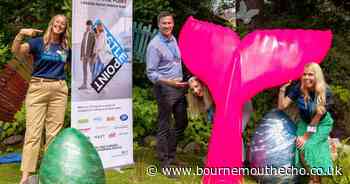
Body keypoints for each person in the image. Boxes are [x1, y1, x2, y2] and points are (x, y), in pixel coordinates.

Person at [11, 14, 70, 184]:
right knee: (33, 134)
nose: (59, 25)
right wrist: (21, 33)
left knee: (54, 134)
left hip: (59, 90)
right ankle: (26, 176)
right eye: (57, 22)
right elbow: (15, 51)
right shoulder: (37, 42)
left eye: (63, 24)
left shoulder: (65, 46)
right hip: (38, 88)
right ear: (52, 23)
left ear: (65, 28)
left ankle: (49, 172)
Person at [146, 11, 188, 174]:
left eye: (169, 23)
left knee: (182, 122)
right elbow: (151, 73)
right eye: (164, 23)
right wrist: (169, 82)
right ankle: (165, 163)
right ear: (158, 24)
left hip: (179, 87)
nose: (167, 26)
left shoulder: (173, 39)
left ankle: (171, 155)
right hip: (164, 88)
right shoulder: (154, 45)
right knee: (165, 125)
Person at [278, 62, 333, 184]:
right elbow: (282, 106)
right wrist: (282, 90)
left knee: (308, 146)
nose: (307, 77)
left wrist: (305, 137)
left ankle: (315, 180)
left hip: (321, 123)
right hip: (305, 122)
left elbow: (317, 119)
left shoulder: (326, 92)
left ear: (317, 76)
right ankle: (313, 178)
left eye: (311, 75)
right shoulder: (299, 88)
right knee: (300, 147)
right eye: (304, 74)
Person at [78, 20, 95, 90]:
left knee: (92, 70)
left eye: (89, 25)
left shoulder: (93, 34)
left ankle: (93, 84)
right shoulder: (85, 33)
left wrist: (91, 57)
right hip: (84, 55)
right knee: (84, 70)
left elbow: (93, 46)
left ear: (91, 26)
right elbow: (82, 45)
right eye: (87, 25)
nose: (88, 26)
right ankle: (84, 84)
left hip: (90, 56)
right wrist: (81, 55)